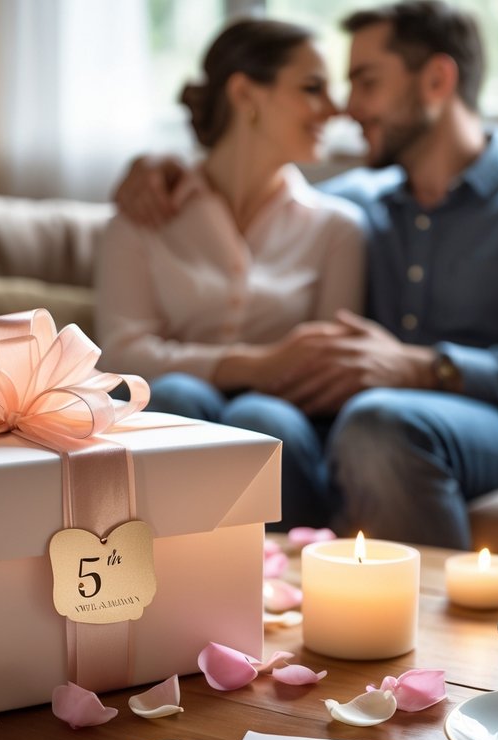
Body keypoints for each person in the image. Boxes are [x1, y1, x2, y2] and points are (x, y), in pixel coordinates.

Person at [114, 0, 498, 549]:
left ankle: (417, 627)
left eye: (365, 82)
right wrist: (152, 169)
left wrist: (430, 369)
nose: (348, 108)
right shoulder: (355, 208)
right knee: (238, 414)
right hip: (358, 425)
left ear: (435, 79)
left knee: (377, 423)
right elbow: (259, 196)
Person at [95, 18, 367, 530]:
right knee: (176, 398)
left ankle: (277, 584)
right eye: (312, 89)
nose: (334, 109)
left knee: (261, 420)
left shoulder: (338, 228)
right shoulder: (144, 213)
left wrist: (268, 380)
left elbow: (328, 365)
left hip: (287, 419)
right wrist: (256, 364)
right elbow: (123, 356)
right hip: (174, 405)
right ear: (245, 94)